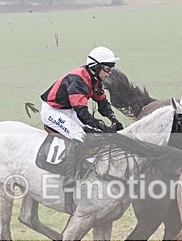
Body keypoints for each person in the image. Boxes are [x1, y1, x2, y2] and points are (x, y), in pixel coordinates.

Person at [40, 46, 124, 187]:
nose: (109, 73)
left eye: (111, 69)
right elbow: (83, 113)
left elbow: (102, 103)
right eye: (107, 69)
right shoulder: (78, 80)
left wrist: (113, 119)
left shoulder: (95, 80)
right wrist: (103, 126)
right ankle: (69, 176)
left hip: (69, 110)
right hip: (53, 110)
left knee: (94, 132)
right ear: (96, 66)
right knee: (78, 134)